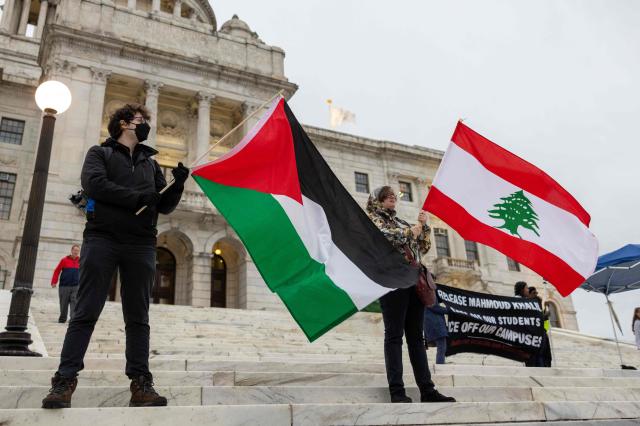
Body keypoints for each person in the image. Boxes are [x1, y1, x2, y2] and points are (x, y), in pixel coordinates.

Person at [42, 104, 189, 409]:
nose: (146, 125)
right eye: (141, 121)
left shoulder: (150, 164)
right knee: (85, 311)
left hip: (141, 243)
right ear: (124, 123)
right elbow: (94, 184)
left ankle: (141, 383)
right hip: (102, 238)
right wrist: (137, 198)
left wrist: (177, 186)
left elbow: (162, 205)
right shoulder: (101, 153)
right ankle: (64, 380)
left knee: (139, 317)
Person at [367, 186, 455, 404]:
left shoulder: (402, 223)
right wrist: (410, 232)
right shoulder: (372, 219)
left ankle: (427, 390)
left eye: (392, 196)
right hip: (393, 281)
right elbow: (383, 237)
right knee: (394, 336)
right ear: (377, 200)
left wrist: (423, 227)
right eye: (386, 196)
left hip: (414, 281)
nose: (391, 198)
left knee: (416, 338)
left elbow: (422, 247)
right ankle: (397, 391)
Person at [51, 244, 81, 323]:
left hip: (76, 286)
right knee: (63, 303)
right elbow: (57, 271)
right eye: (75, 250)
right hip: (64, 286)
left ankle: (73, 319)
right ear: (71, 251)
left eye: (77, 251)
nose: (76, 252)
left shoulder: (80, 261)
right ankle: (63, 318)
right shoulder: (64, 260)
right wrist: (54, 282)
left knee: (74, 302)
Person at [423, 286, 449, 365]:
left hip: (432, 323)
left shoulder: (425, 291)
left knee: (442, 346)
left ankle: (440, 363)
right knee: (442, 346)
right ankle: (440, 365)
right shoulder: (428, 292)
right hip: (435, 324)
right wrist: (450, 310)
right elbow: (435, 307)